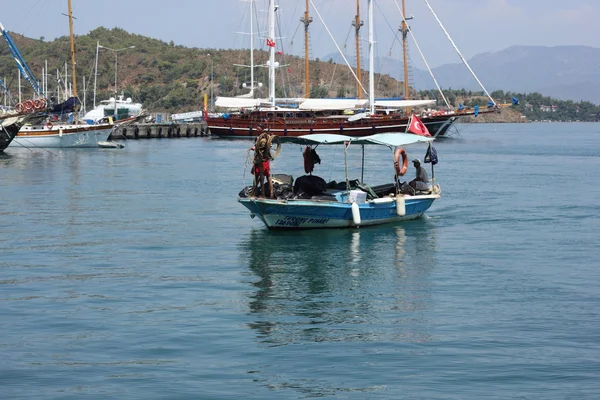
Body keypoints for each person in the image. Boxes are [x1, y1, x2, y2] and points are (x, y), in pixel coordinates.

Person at [250, 125, 274, 198]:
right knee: (257, 176)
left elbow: (267, 147)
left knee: (266, 176)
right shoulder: (258, 138)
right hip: (258, 160)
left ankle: (268, 194)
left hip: (264, 160)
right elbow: (257, 146)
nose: (256, 129)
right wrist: (255, 147)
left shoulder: (266, 137)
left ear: (262, 128)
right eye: (256, 128)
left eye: (258, 128)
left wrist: (257, 148)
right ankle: (256, 193)